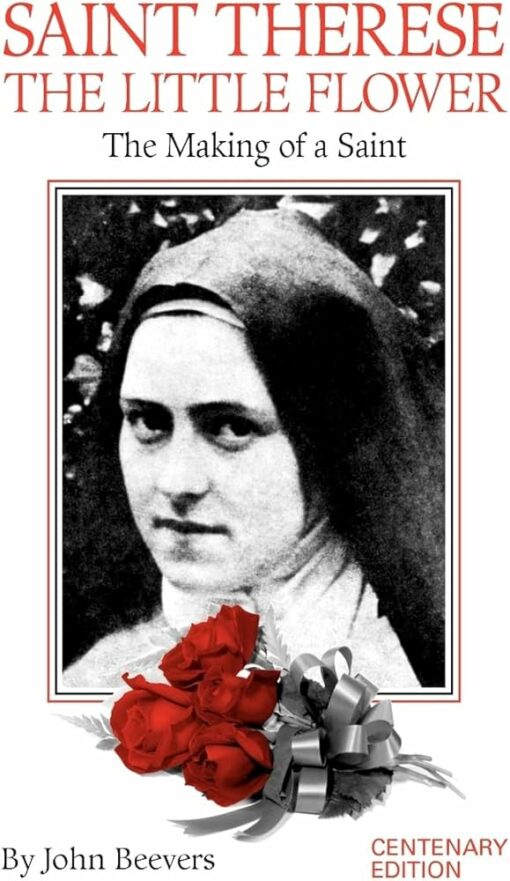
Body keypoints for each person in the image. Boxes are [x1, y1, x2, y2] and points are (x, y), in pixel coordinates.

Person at [63, 206, 445, 690]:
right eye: (148, 421)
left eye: (231, 427)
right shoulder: (86, 683)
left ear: (332, 439)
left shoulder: (434, 676)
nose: (177, 483)